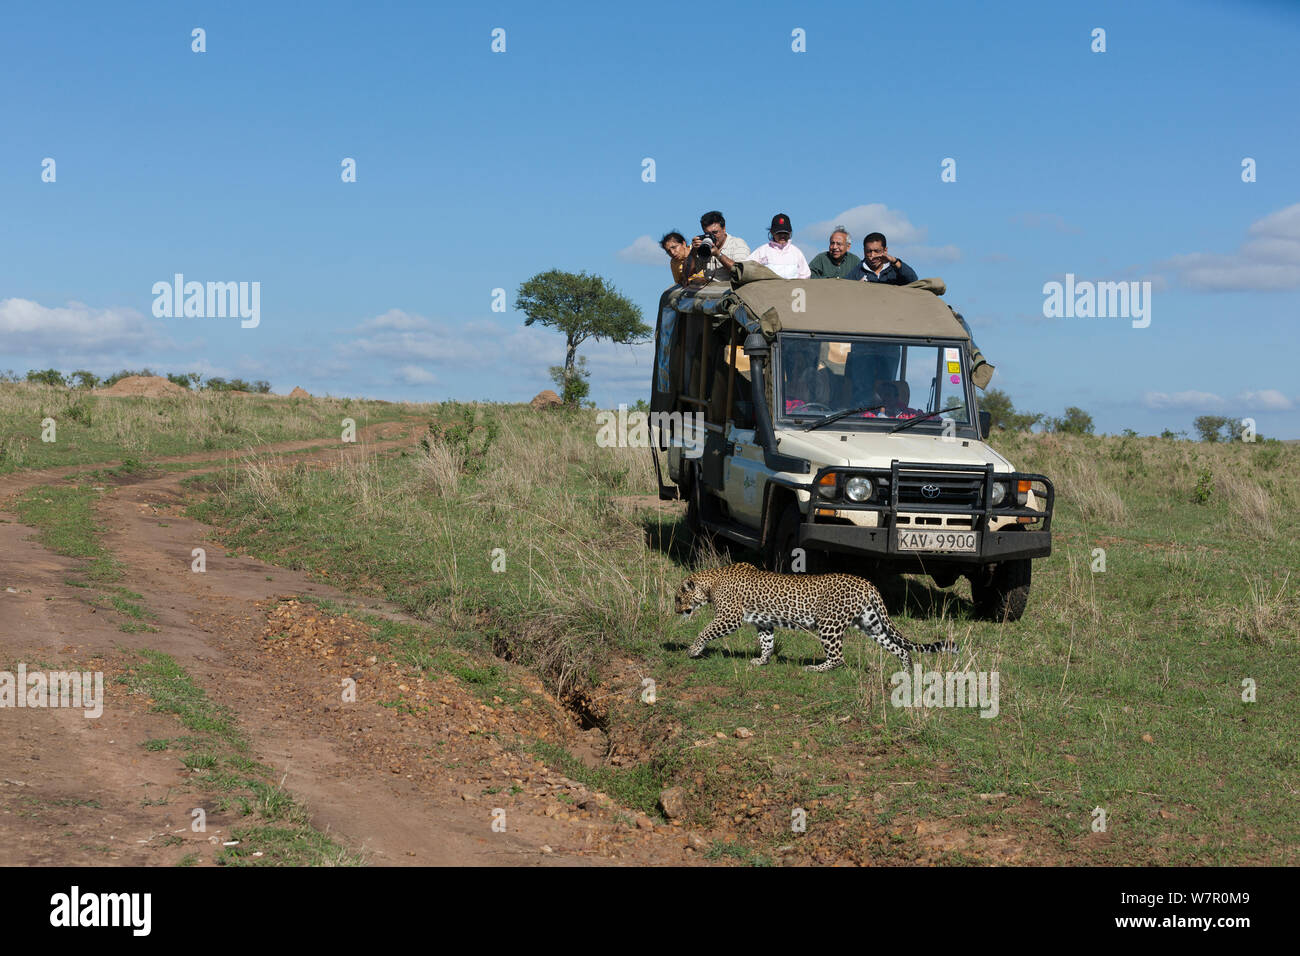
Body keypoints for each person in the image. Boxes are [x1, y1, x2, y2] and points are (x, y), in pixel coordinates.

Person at [748, 213, 811, 279]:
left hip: (791, 288)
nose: (782, 236)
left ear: (790, 233)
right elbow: (747, 267)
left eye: (785, 233)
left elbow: (805, 275)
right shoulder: (762, 251)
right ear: (772, 233)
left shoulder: (797, 253)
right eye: (779, 233)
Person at [694, 211, 750, 279]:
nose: (712, 237)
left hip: (731, 288)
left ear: (724, 229)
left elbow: (742, 273)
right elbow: (686, 275)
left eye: (715, 232)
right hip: (709, 288)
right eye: (707, 234)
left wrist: (718, 254)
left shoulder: (737, 244)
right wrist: (693, 252)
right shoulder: (703, 246)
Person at [847, 232, 918, 285]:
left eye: (877, 251)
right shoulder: (856, 272)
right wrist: (856, 288)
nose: (872, 255)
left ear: (885, 250)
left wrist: (895, 261)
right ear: (864, 251)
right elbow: (844, 292)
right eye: (868, 251)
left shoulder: (895, 270)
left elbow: (913, 281)